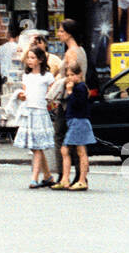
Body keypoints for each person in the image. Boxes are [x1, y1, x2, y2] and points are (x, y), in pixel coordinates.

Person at [13, 45, 55, 188]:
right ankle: (47, 175)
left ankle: (34, 178)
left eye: (33, 58)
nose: (29, 60)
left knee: (37, 147)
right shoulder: (26, 76)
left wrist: (50, 100)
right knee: (37, 147)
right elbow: (25, 93)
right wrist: (21, 96)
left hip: (40, 112)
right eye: (28, 58)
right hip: (29, 112)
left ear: (41, 60)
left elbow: (53, 91)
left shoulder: (47, 76)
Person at [53, 20, 87, 184]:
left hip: (68, 98)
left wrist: (58, 85)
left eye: (61, 31)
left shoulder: (71, 53)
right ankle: (78, 176)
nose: (58, 34)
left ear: (69, 33)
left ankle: (64, 175)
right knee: (75, 138)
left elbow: (71, 77)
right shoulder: (81, 50)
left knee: (61, 136)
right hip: (76, 98)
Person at [51, 64, 94, 191]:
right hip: (73, 121)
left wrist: (70, 92)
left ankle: (81, 180)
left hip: (78, 121)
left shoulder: (81, 87)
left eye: (73, 75)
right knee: (66, 150)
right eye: (68, 75)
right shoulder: (77, 87)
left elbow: (78, 103)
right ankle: (65, 179)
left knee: (78, 150)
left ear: (79, 74)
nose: (70, 78)